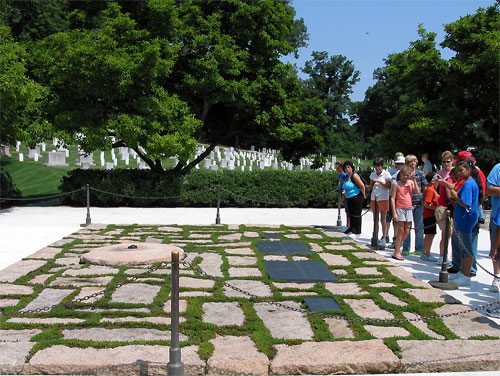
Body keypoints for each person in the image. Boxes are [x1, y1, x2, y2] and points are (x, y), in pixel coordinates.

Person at [446, 160, 482, 287]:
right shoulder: (468, 183)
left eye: (462, 170)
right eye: (458, 170)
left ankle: (466, 275)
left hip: (466, 218)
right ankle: (462, 272)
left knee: (466, 247)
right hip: (462, 218)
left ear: (469, 170)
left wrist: (455, 196)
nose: (459, 173)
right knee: (462, 246)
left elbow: (465, 203)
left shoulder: (468, 184)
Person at [391, 165, 420, 260]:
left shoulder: (411, 183)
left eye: (407, 175)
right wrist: (394, 212)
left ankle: (398, 246)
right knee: (401, 231)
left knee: (407, 231)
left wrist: (414, 180)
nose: (406, 177)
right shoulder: (396, 184)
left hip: (409, 208)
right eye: (404, 175)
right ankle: (397, 251)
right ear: (401, 174)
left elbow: (417, 192)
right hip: (400, 208)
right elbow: (392, 198)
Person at [402, 155, 427, 256]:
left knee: (419, 227)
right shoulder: (404, 174)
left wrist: (424, 199)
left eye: (414, 161)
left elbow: (424, 187)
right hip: (407, 202)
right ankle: (406, 247)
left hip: (419, 202)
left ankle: (419, 248)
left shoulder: (420, 174)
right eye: (410, 162)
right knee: (406, 227)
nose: (412, 164)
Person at [435, 151, 454, 265]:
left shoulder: (455, 172)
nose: (446, 164)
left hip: (452, 204)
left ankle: (449, 255)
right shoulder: (440, 173)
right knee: (445, 233)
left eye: (448, 162)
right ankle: (442, 255)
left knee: (452, 233)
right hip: (443, 205)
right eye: (444, 162)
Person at [368, 157, 392, 248]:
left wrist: (378, 181)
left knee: (383, 219)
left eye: (379, 166)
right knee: (375, 219)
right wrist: (370, 185)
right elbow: (370, 186)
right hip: (374, 198)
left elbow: (388, 186)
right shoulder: (372, 174)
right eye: (376, 166)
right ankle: (375, 236)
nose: (377, 168)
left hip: (383, 198)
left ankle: (384, 237)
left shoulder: (386, 174)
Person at [342, 160, 366, 237]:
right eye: (345, 168)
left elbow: (361, 186)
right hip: (349, 198)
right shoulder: (346, 177)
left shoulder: (354, 176)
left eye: (348, 167)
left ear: (352, 168)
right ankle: (351, 228)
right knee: (351, 214)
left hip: (357, 197)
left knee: (356, 215)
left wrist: (364, 194)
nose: (347, 169)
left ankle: (356, 231)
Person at [486, 162, 500, 293]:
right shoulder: (498, 168)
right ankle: (496, 277)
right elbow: (489, 189)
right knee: (496, 251)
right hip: (497, 215)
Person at [386, 154, 405, 248]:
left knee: (400, 222)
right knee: (392, 218)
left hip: (401, 199)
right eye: (398, 163)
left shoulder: (405, 174)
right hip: (392, 195)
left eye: (401, 164)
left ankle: (397, 239)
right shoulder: (390, 171)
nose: (399, 165)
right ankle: (390, 237)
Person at [421, 172, 439, 262]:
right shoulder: (430, 190)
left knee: (430, 234)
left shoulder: (432, 189)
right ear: (432, 181)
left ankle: (425, 252)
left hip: (430, 215)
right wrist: (436, 208)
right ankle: (427, 253)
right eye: (436, 180)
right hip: (429, 215)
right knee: (429, 235)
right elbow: (426, 203)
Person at [336, 161, 350, 231]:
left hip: (345, 194)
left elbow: (345, 186)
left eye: (338, 167)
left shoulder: (345, 175)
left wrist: (343, 196)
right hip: (341, 192)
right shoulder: (340, 175)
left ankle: (348, 225)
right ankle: (347, 225)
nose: (336, 169)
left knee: (348, 210)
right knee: (346, 210)